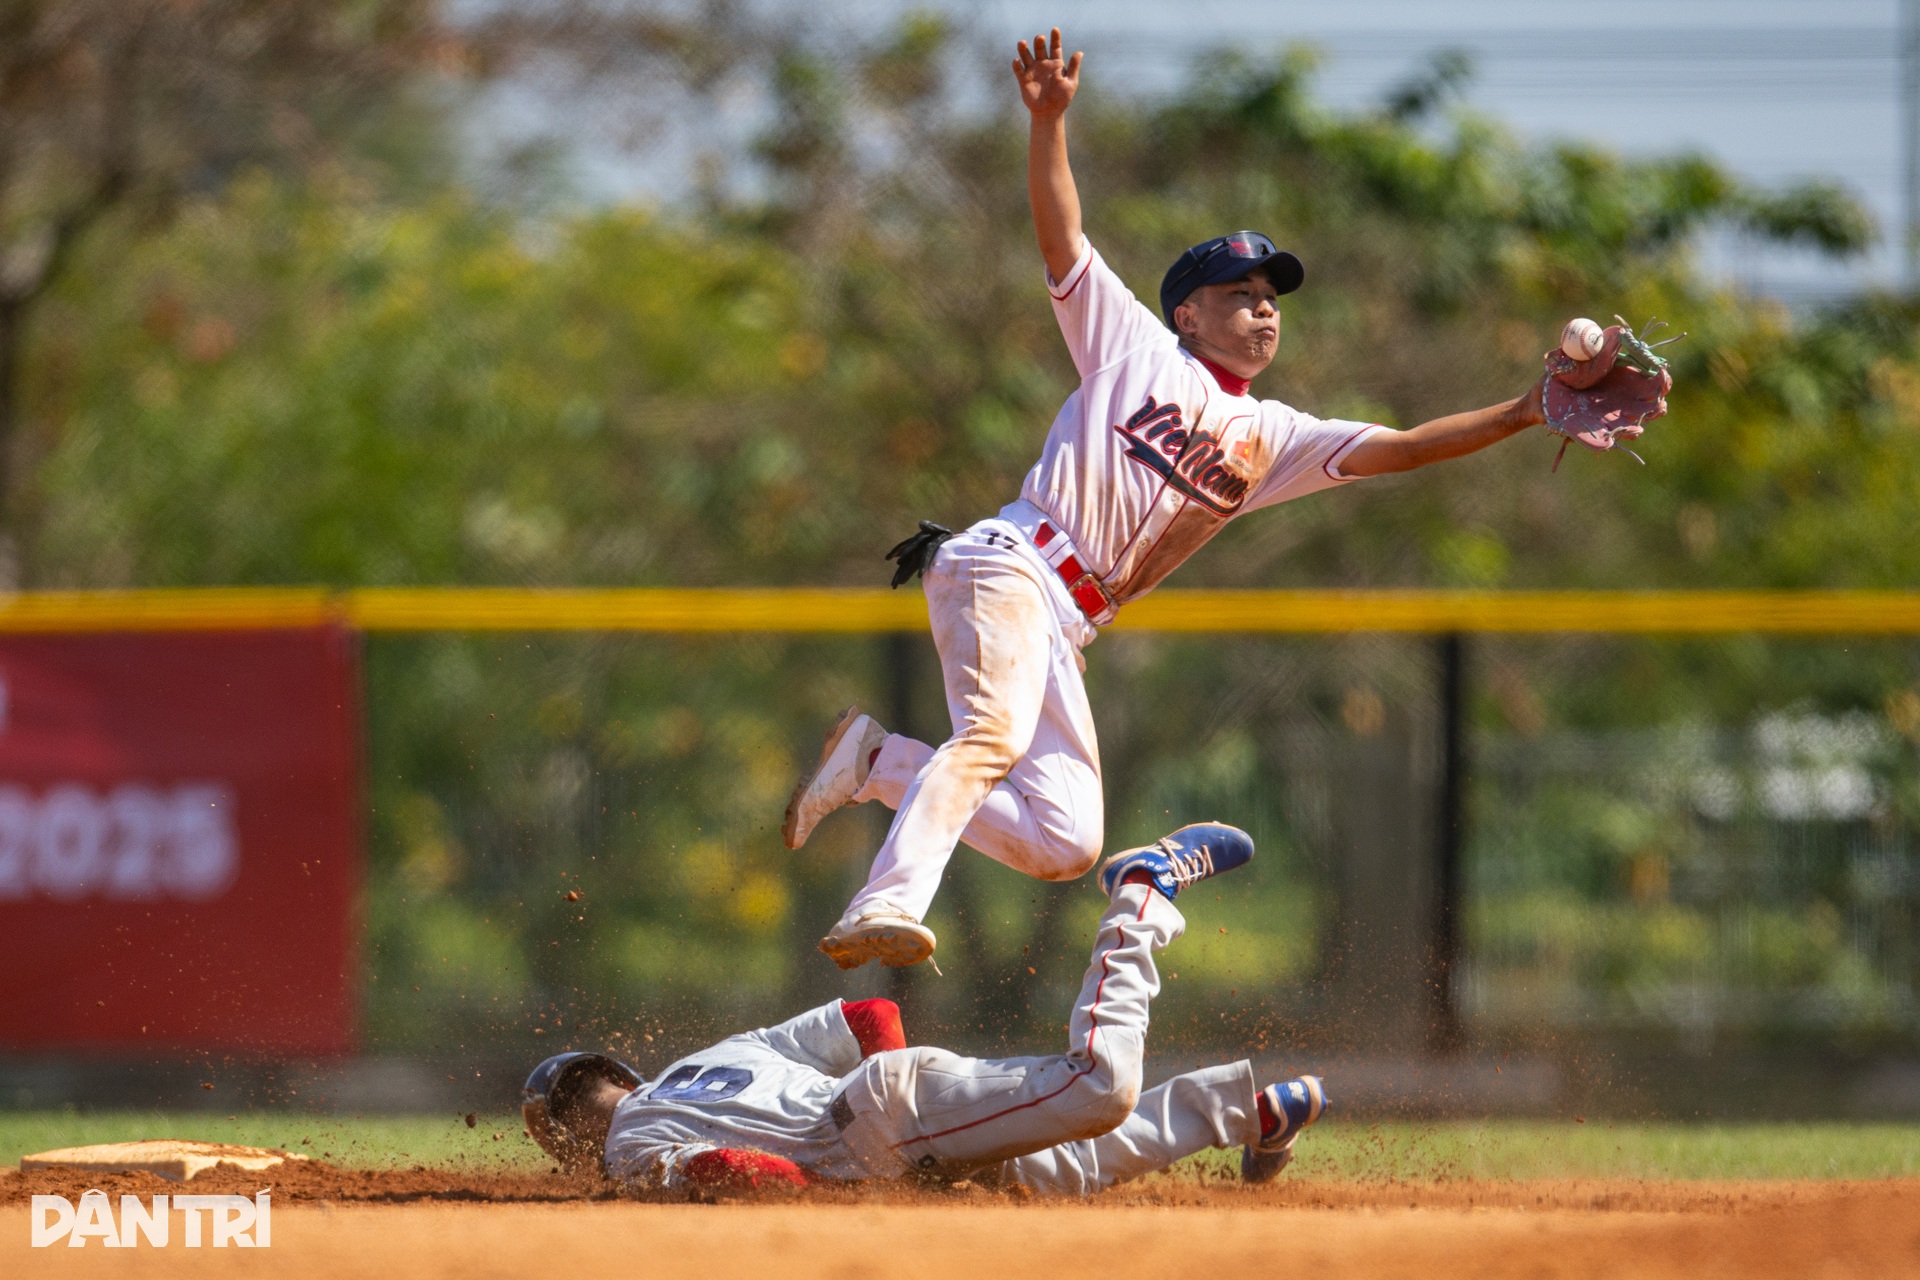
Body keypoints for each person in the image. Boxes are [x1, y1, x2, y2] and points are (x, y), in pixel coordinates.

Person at [784, 28, 1561, 971]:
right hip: (1012, 565)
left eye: (1273, 295)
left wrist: (1527, 410)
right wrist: (1048, 125)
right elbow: (1062, 237)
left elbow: (1398, 449)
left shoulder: (1272, 435)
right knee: (990, 738)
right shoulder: (1134, 348)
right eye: (1240, 292)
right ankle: (888, 899)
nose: (1264, 306)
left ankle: (878, 762)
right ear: (1188, 312)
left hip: (1068, 620)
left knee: (1064, 840)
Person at [522, 824, 1327, 1195]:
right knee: (1069, 1169)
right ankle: (1249, 1112)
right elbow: (870, 1014)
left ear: (568, 1140)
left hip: (881, 1131)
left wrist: (870, 1157)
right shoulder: (711, 1059)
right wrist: (900, 1110)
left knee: (1096, 1091)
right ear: (617, 1072)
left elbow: (726, 1172)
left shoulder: (631, 1146)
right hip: (889, 1115)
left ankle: (1141, 898)